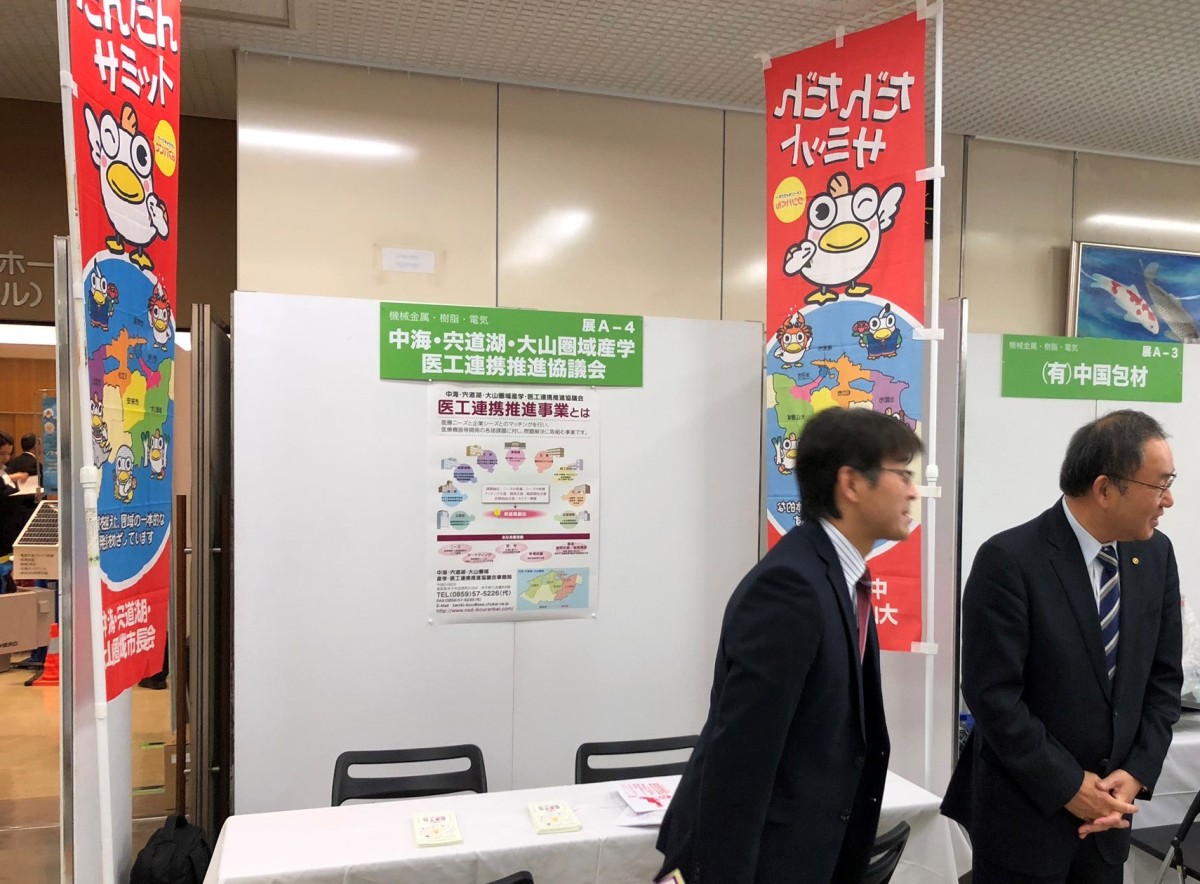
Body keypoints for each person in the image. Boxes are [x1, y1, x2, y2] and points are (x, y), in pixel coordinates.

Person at [654, 407, 923, 884]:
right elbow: (742, 752)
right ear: (851, 483)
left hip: (809, 847)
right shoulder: (791, 586)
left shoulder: (838, 576)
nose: (912, 491)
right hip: (765, 857)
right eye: (901, 474)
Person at [942, 409, 1183, 884]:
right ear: (1105, 489)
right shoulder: (1010, 561)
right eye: (1159, 485)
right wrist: (1070, 787)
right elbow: (994, 696)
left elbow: (1163, 680)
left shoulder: (1155, 554)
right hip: (1024, 823)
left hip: (1109, 824)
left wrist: (1136, 773)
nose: (1169, 500)